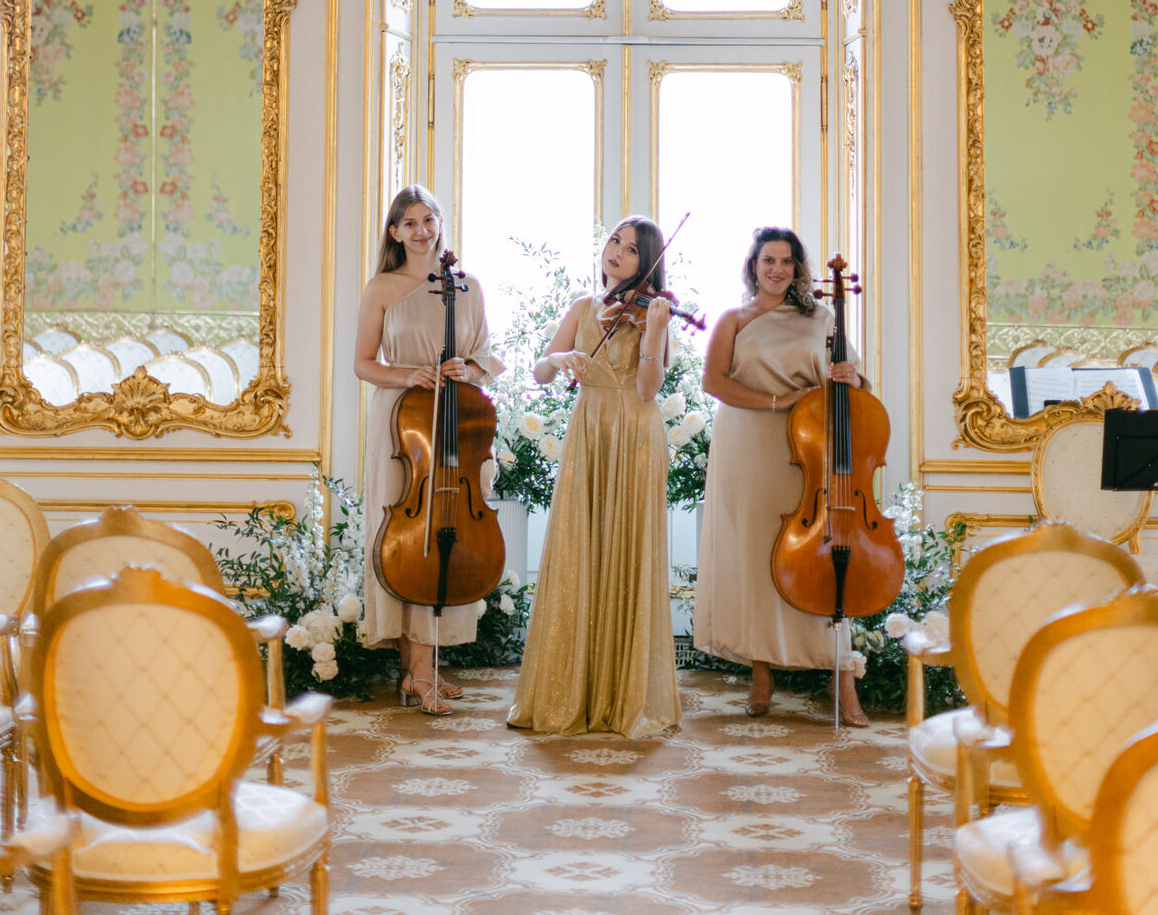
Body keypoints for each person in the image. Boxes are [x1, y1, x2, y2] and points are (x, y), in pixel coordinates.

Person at [508, 216, 681, 738]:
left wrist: (653, 331)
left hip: (635, 432)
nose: (617, 252)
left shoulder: (652, 313)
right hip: (589, 428)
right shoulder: (584, 307)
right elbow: (540, 371)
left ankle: (623, 695)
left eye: (632, 249)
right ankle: (573, 688)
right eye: (614, 241)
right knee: (580, 545)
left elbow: (648, 389)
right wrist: (561, 356)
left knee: (628, 548)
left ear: (646, 262)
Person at [694, 225, 869, 725]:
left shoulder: (822, 317)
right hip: (748, 446)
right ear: (753, 266)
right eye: (768, 260)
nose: (777, 269)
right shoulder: (733, 319)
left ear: (797, 268)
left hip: (808, 446)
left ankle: (842, 679)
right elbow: (714, 382)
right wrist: (778, 400)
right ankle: (761, 674)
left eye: (786, 261)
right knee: (756, 556)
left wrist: (852, 377)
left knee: (818, 558)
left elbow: (858, 384)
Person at [355, 183, 493, 715]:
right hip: (403, 423)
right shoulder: (382, 287)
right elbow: (363, 363)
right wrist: (408, 374)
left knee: (445, 534)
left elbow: (484, 356)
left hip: (454, 420)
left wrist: (466, 368)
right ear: (394, 232)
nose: (420, 231)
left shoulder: (467, 286)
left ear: (439, 224)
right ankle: (416, 672)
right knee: (407, 535)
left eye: (428, 220)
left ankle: (423, 667)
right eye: (409, 223)